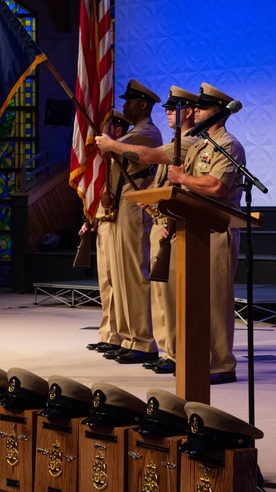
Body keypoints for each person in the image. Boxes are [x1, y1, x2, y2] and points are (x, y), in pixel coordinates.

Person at [96, 82, 244, 385]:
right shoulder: (200, 145)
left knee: (215, 300)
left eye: (202, 107)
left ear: (217, 112)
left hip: (216, 229)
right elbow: (179, 189)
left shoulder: (227, 145)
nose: (197, 111)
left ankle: (221, 363)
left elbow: (217, 187)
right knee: (186, 299)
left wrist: (183, 178)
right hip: (190, 227)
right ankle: (193, 355)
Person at [97, 79, 162, 364]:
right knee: (121, 275)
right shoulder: (136, 131)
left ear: (143, 105)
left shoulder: (148, 132)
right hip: (123, 201)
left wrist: (108, 140)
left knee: (135, 273)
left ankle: (143, 340)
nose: (125, 106)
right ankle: (126, 335)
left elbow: (113, 149)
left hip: (136, 202)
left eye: (130, 102)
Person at [142, 86, 200, 375]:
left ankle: (177, 352)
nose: (166, 112)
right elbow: (162, 181)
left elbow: (152, 158)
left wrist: (115, 147)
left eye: (172, 108)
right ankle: (168, 350)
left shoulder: (189, 143)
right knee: (161, 294)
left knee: (173, 295)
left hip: (173, 224)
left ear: (188, 111)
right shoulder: (176, 141)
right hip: (160, 222)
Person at [83, 109, 131, 353]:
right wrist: (90, 218)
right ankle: (108, 334)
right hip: (103, 223)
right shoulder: (105, 160)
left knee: (119, 283)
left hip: (118, 222)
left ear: (118, 131)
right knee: (106, 284)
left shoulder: (121, 156)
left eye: (107, 128)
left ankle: (122, 335)